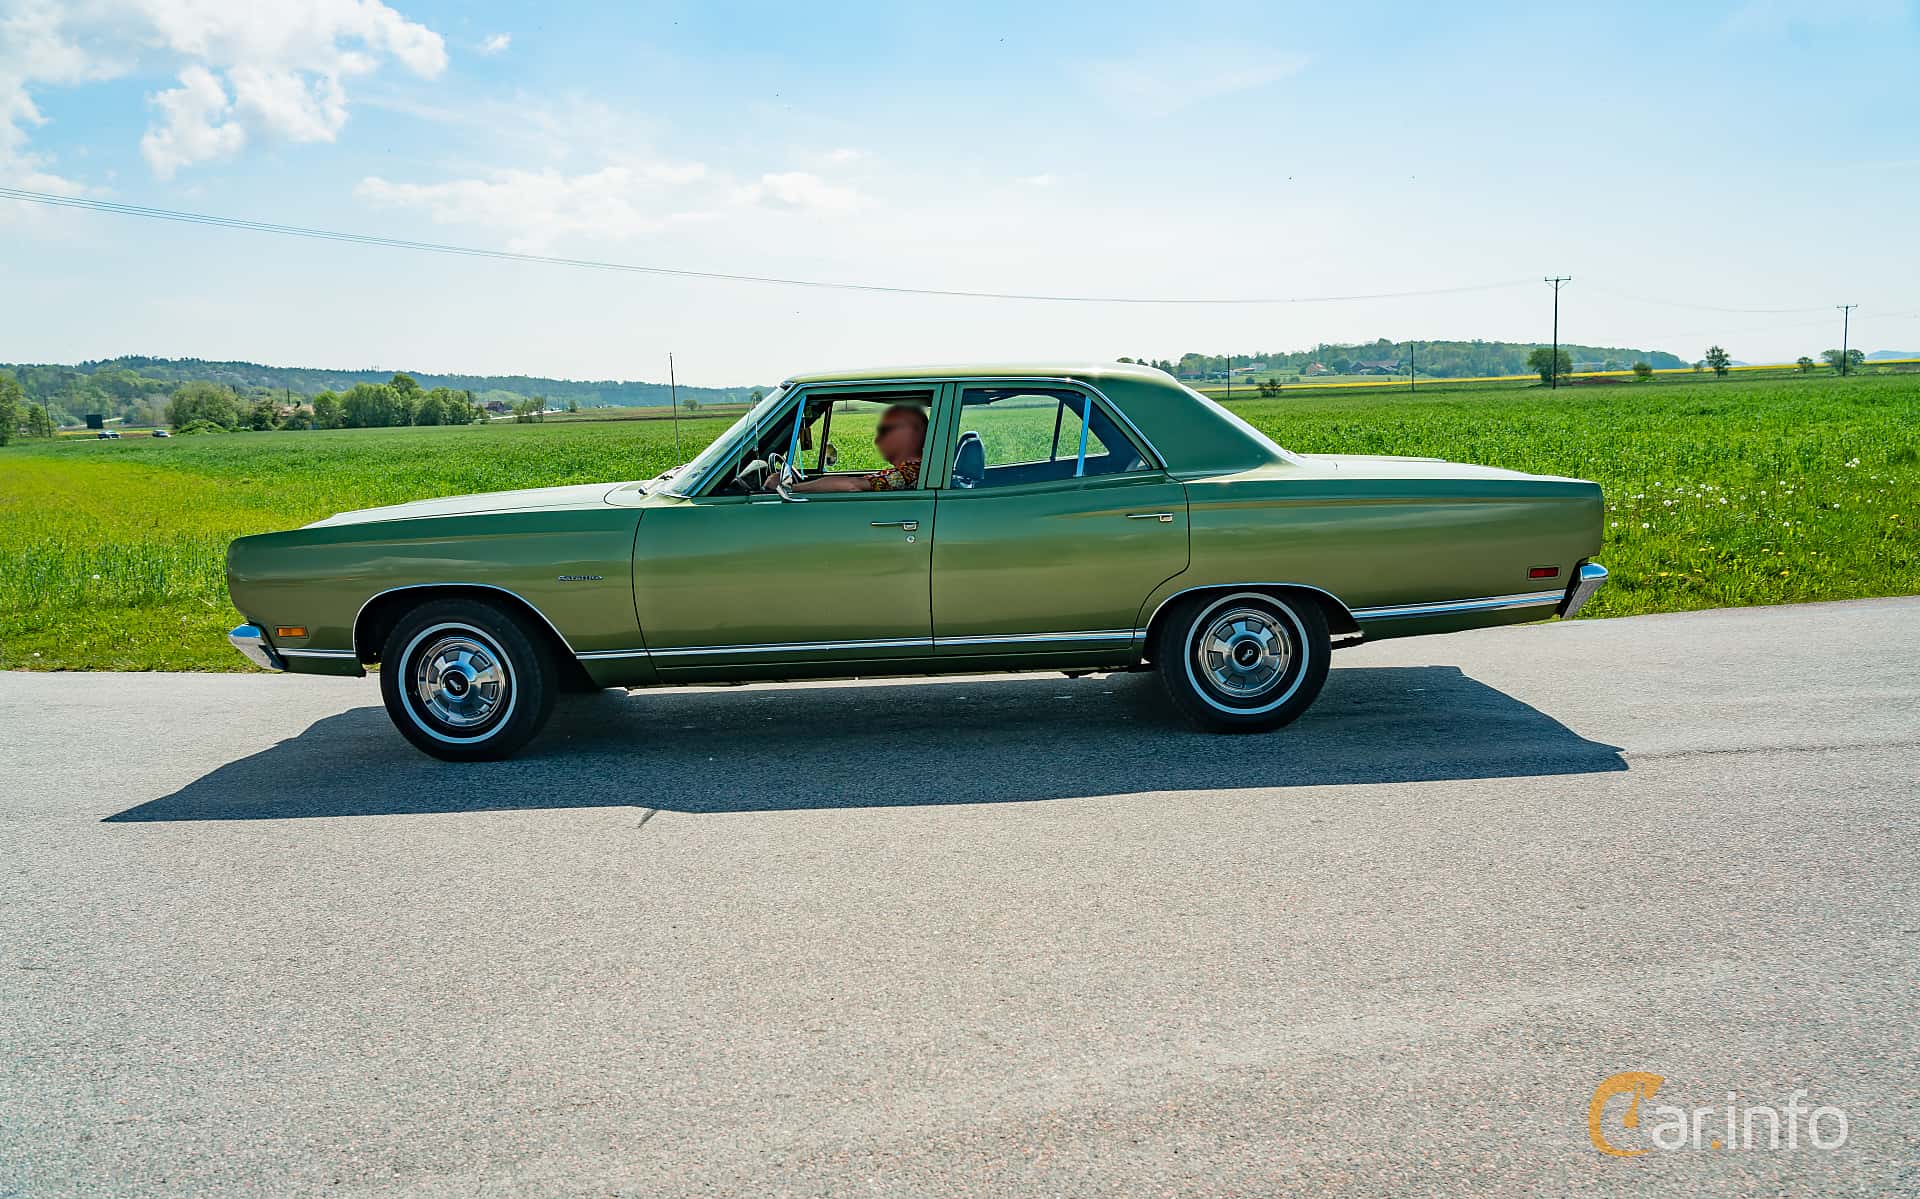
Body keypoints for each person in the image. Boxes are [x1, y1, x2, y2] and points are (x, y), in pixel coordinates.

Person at [782, 403, 926, 493]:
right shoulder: (915, 470)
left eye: (885, 431)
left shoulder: (909, 473)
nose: (877, 440)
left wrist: (791, 488)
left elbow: (852, 485)